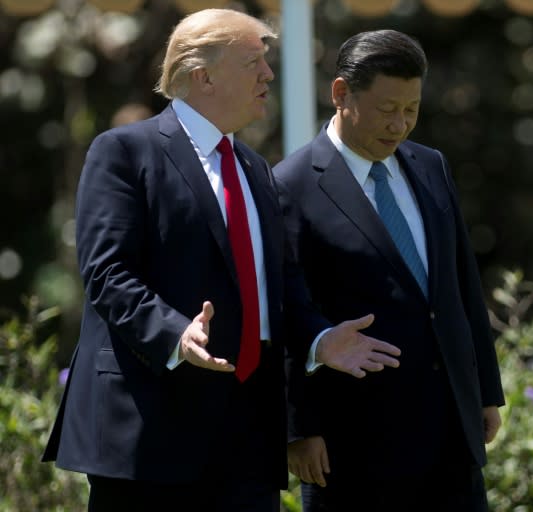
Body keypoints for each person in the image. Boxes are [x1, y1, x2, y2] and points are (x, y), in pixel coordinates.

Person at [42, 10, 400, 512]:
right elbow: (107, 274)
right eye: (253, 61)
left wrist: (320, 339)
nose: (268, 75)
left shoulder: (255, 168)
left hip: (247, 439)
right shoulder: (125, 151)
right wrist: (174, 333)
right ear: (202, 75)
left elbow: (280, 284)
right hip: (149, 433)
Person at [274, 29, 505, 512]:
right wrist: (300, 428)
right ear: (341, 94)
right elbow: (287, 310)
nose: (400, 125)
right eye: (386, 109)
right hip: (353, 441)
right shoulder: (290, 184)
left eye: (412, 109)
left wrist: (484, 391)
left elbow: (460, 283)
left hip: (450, 428)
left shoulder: (430, 165)